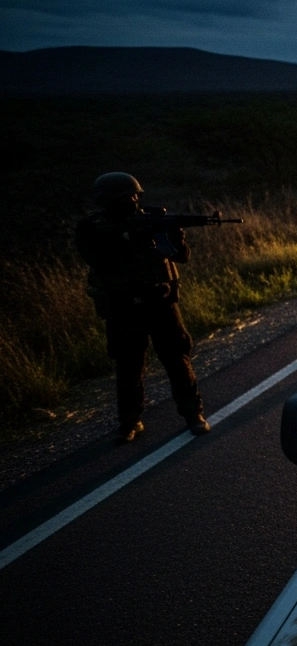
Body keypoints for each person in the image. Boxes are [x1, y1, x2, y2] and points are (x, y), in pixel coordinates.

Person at [75, 172, 208, 443]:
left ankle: (193, 415)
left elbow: (181, 257)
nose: (135, 200)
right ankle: (130, 422)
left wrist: (173, 236)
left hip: (160, 301)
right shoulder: (91, 227)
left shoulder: (150, 220)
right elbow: (99, 260)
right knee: (129, 366)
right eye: (127, 197)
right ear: (109, 200)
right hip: (122, 306)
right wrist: (130, 236)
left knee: (178, 360)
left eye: (136, 195)